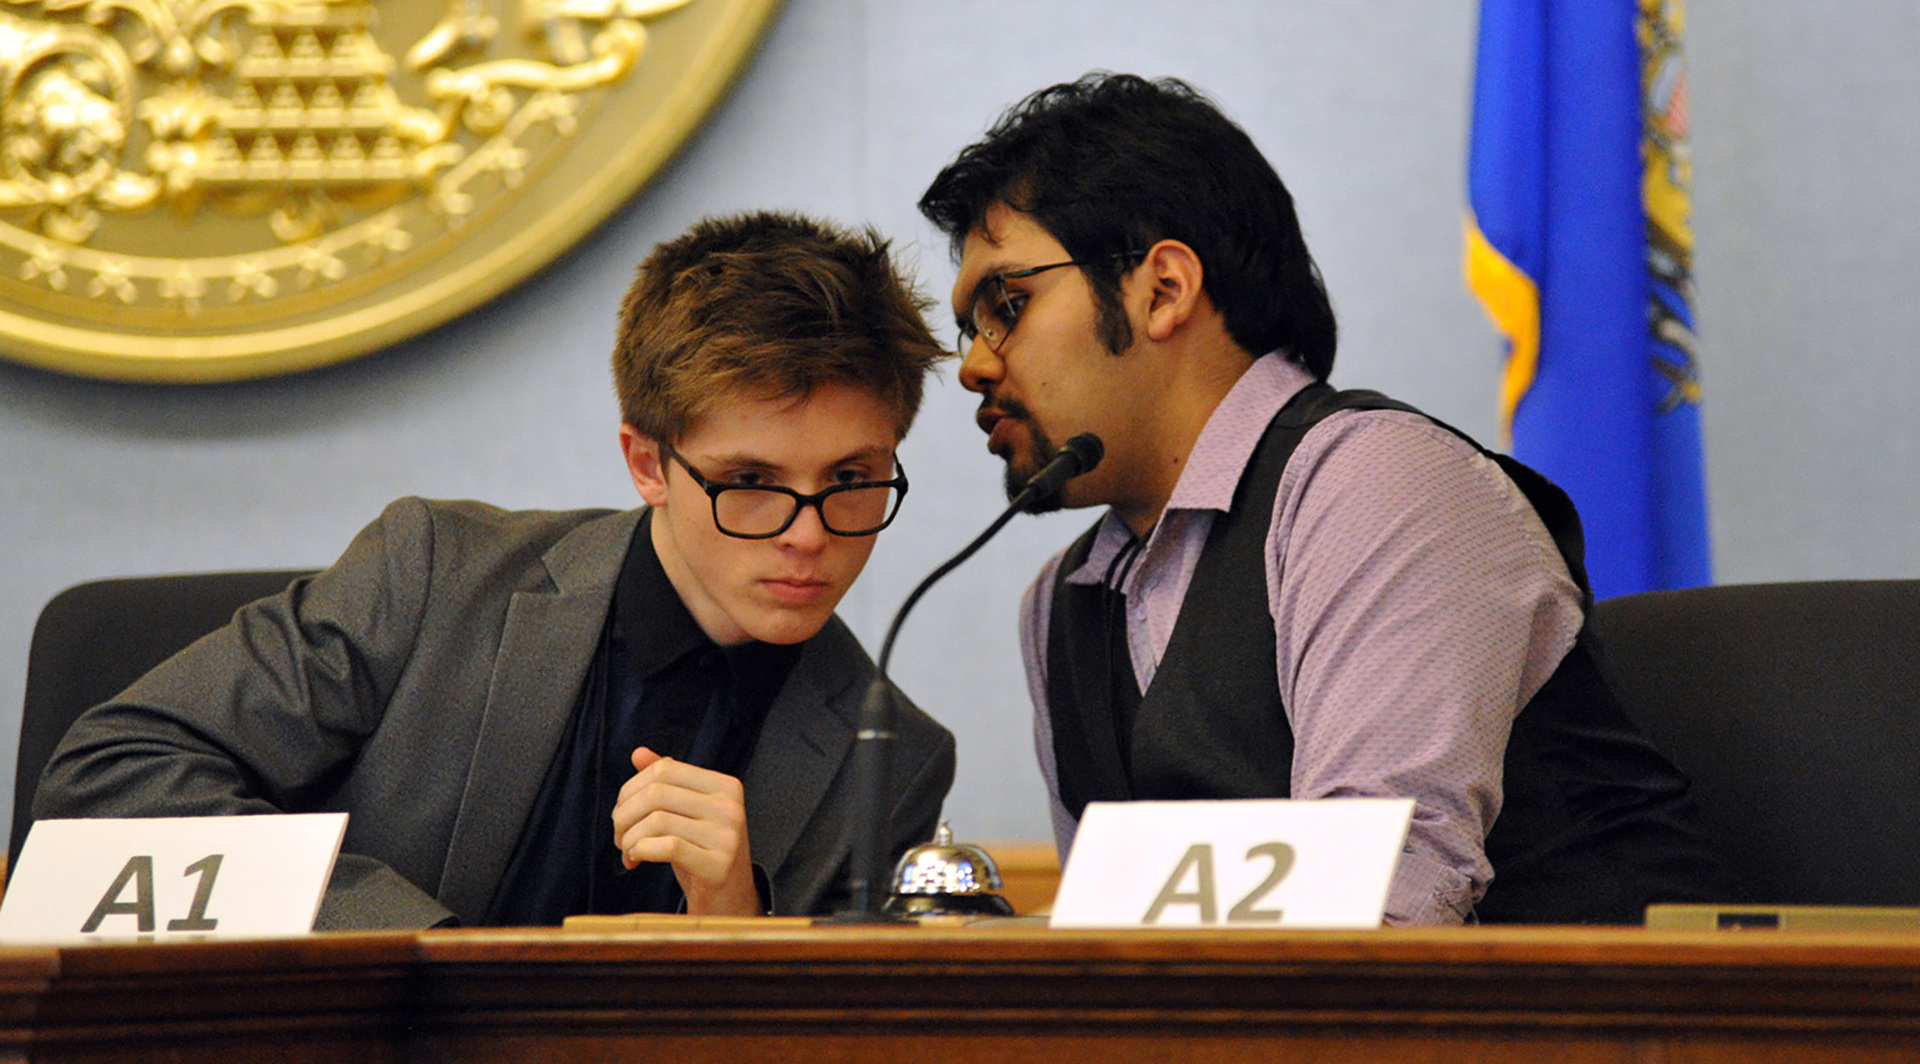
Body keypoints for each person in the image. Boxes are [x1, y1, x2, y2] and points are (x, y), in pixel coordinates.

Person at [918, 73, 1726, 925]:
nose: (974, 363)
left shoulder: (1377, 485)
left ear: (1162, 289)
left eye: (1007, 304)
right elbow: (1116, 938)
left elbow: (1388, 908)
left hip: (1598, 1041)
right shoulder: (1062, 602)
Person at [35, 211, 957, 929]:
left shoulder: (897, 757)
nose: (809, 535)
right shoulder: (434, 574)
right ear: (647, 466)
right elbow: (109, 778)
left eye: (852, 479)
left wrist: (736, 924)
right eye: (751, 482)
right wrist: (418, 946)